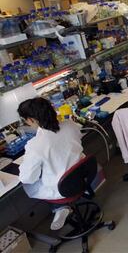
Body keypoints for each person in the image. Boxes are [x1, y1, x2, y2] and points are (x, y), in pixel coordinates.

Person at [18, 97, 84, 230]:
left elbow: (27, 178)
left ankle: (59, 207)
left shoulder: (35, 145)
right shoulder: (70, 124)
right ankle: (61, 207)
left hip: (62, 188)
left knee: (29, 185)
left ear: (31, 120)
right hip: (82, 176)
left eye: (25, 120)